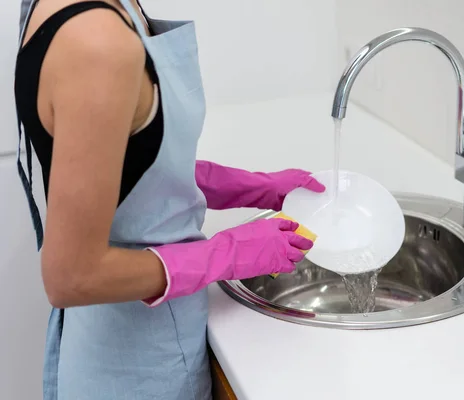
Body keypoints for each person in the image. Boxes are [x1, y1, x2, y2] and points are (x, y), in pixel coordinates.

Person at [14, 0, 326, 399]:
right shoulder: (98, 43)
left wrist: (257, 186)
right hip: (133, 365)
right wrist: (228, 253)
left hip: (124, 342)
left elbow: (131, 164)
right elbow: (72, 278)